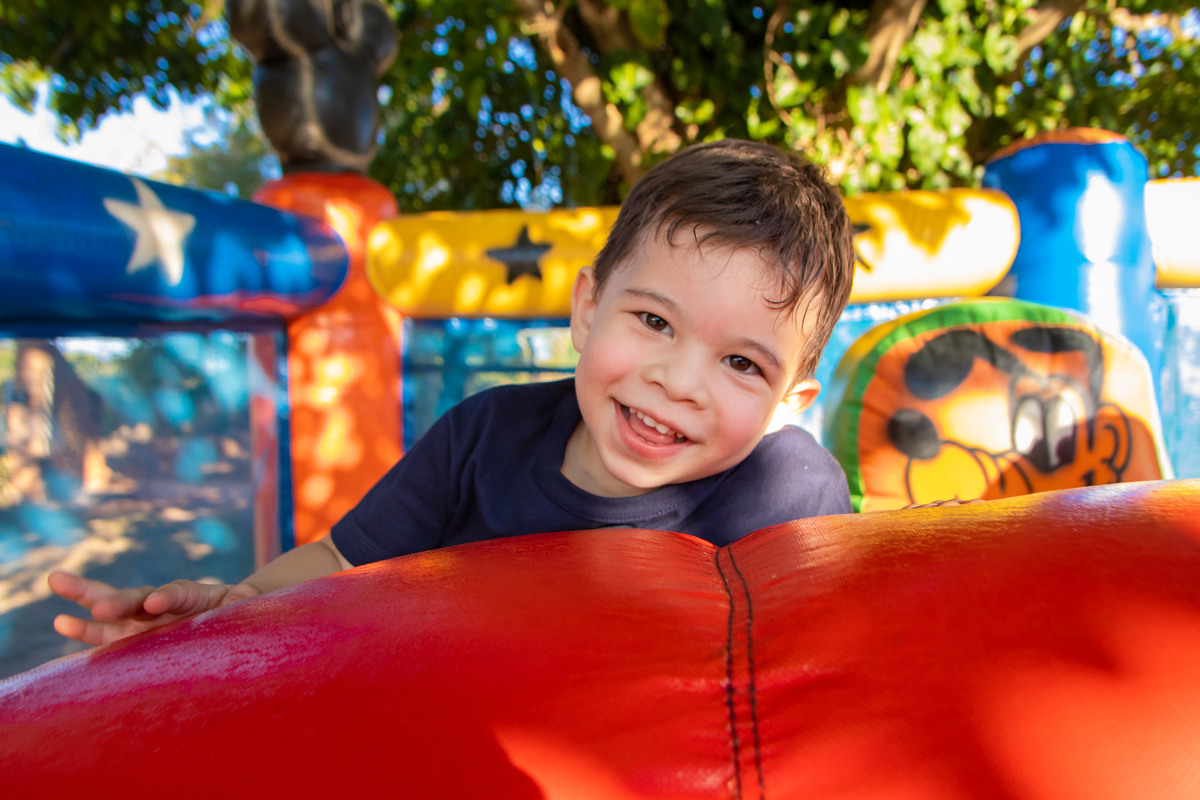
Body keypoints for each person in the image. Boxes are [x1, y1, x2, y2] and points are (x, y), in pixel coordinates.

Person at [48, 138, 857, 646]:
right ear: (586, 308)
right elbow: (341, 560)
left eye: (743, 365)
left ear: (791, 400)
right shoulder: (483, 439)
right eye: (652, 320)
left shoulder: (789, 493)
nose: (677, 381)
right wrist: (236, 604)